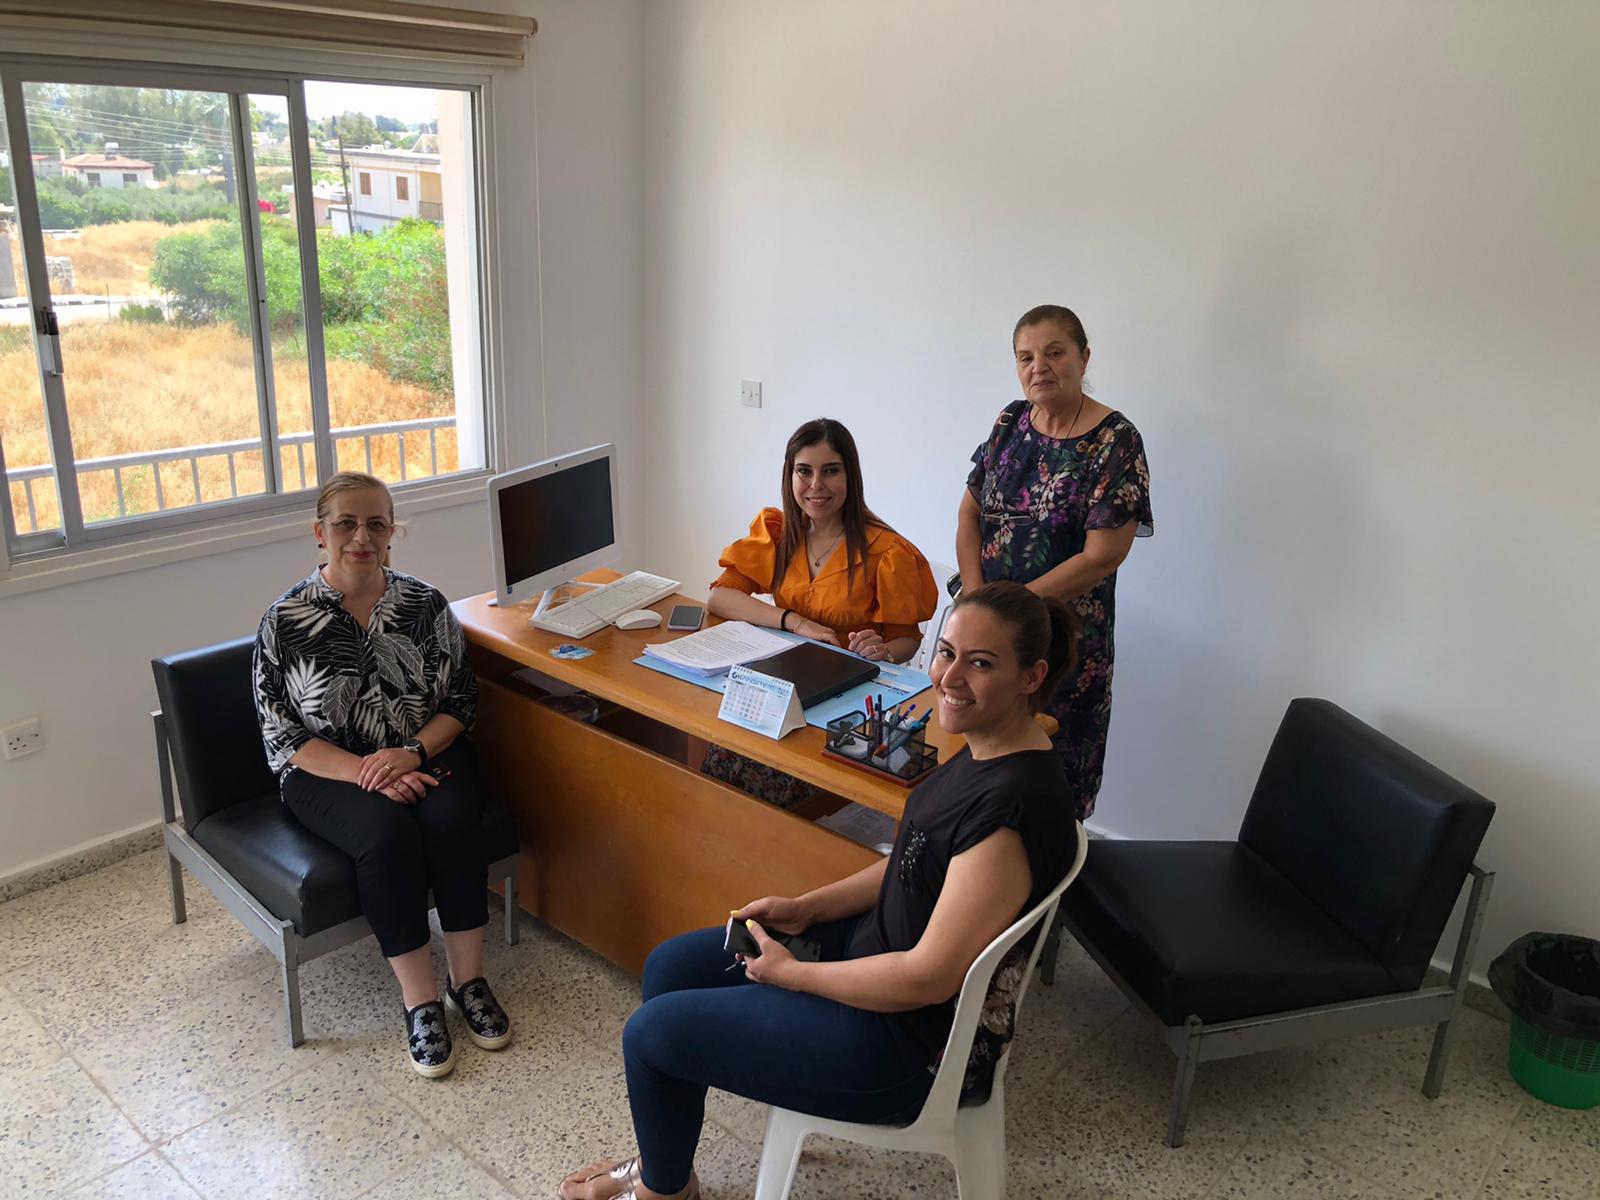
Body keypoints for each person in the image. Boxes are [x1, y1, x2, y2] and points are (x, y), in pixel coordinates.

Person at [558, 581, 1079, 1200]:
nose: (950, 677)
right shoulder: (988, 746)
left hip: (902, 1046)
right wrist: (807, 908)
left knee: (651, 1036)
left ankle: (661, 1191)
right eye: (946, 653)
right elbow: (912, 862)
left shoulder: (1011, 811)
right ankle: (667, 1163)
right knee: (670, 967)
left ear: (1031, 676)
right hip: (873, 961)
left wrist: (796, 976)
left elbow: (927, 978)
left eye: (982, 663)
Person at [252, 471, 511, 1079]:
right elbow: (283, 735)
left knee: (452, 818)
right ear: (320, 533)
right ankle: (420, 1002)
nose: (361, 537)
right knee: (386, 834)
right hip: (324, 771)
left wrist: (412, 754)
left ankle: (467, 982)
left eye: (375, 523)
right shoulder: (285, 620)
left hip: (427, 751)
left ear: (393, 532)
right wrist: (370, 773)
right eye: (345, 523)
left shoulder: (425, 604)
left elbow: (461, 701)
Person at [957, 304, 1153, 822]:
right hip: (985, 638)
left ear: (1084, 358)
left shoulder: (1116, 441)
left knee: (1050, 787)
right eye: (1026, 357)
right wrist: (977, 603)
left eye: (1054, 352)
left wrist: (1009, 611)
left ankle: (1049, 868)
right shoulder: (1009, 421)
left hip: (1062, 645)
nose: (1038, 366)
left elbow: (1102, 555)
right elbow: (969, 514)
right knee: (980, 773)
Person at [701, 417, 938, 808]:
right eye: (804, 471)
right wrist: (793, 621)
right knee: (721, 759)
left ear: (850, 475)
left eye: (830, 471)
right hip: (783, 686)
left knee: (772, 785)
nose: (816, 486)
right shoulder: (780, 532)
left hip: (849, 696)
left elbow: (906, 639)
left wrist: (883, 651)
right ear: (790, 475)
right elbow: (720, 598)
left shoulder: (887, 551)